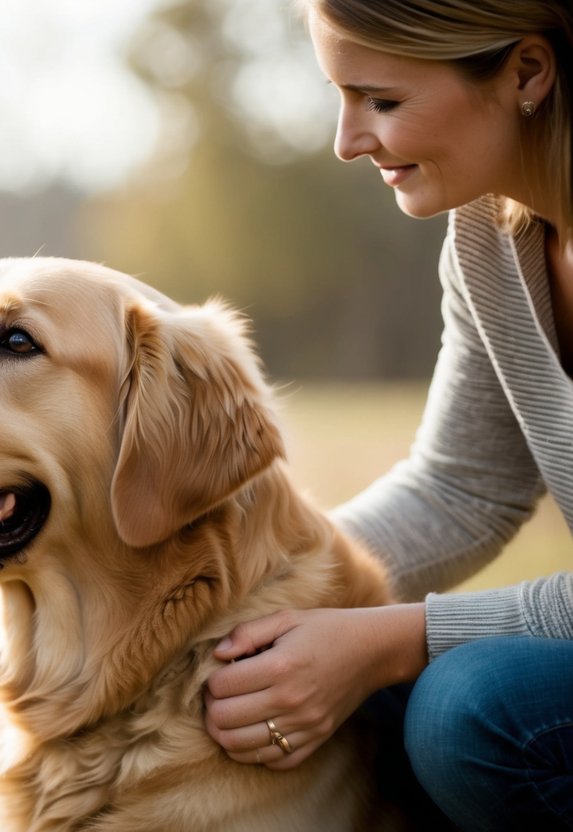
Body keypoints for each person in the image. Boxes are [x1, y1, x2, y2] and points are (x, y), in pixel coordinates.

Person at [202, 0, 573, 828]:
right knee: (315, 688)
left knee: (468, 708)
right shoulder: (486, 242)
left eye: (381, 100)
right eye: (339, 96)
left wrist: (395, 638)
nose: (346, 141)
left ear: (526, 73)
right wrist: (255, 592)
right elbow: (460, 489)